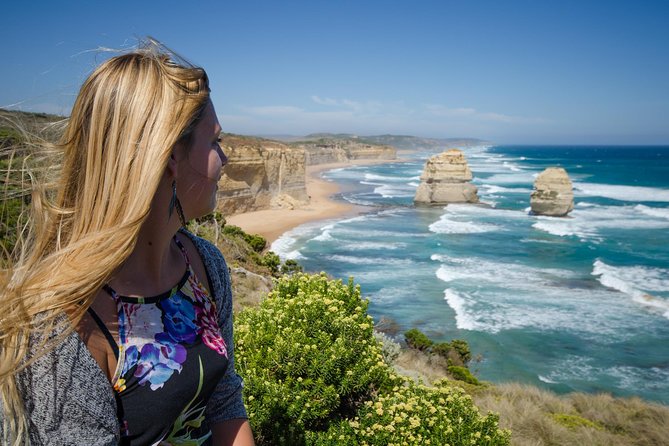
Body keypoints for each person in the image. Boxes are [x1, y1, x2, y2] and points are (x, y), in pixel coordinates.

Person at [0, 39, 255, 445]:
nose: (224, 159)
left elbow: (224, 400)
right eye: (215, 143)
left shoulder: (204, 264)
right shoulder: (61, 324)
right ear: (170, 156)